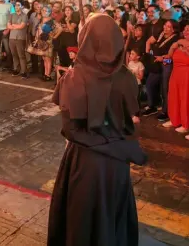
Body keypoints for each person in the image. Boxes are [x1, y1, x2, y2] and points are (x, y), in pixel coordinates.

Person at [48, 14, 146, 246]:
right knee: (111, 213)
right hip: (116, 162)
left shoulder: (73, 77)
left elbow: (71, 129)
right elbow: (132, 120)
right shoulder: (127, 78)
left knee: (82, 219)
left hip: (85, 161)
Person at [144, 20, 179, 118]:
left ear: (174, 29)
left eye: (168, 26)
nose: (165, 27)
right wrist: (149, 54)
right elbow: (148, 41)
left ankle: (166, 111)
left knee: (165, 88)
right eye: (165, 25)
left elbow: (172, 57)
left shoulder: (176, 39)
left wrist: (163, 58)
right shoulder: (161, 33)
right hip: (156, 62)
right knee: (150, 83)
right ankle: (153, 106)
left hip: (167, 64)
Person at [8, 1, 28, 78]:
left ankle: (24, 71)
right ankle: (16, 69)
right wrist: (16, 26)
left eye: (18, 5)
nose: (16, 7)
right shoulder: (11, 15)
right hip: (11, 38)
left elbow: (22, 26)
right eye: (15, 5)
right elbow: (8, 26)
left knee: (21, 55)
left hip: (20, 38)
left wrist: (13, 25)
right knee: (14, 55)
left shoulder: (24, 16)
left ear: (22, 6)